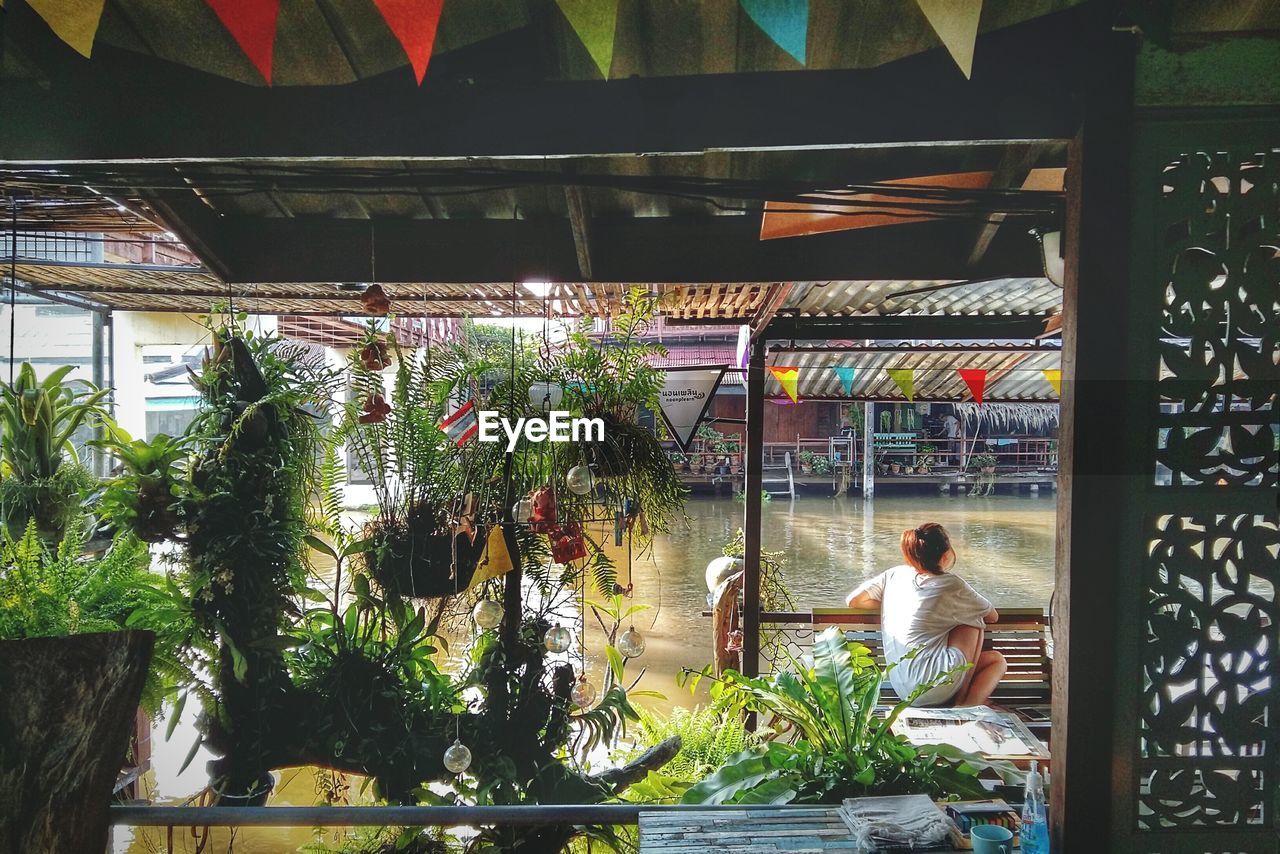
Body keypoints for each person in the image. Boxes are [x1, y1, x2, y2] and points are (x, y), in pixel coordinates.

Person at [846, 523, 1006, 706]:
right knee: (973, 619)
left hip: (903, 690)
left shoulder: (893, 575)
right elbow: (992, 616)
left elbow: (853, 601)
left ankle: (966, 702)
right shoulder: (951, 585)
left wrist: (900, 604)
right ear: (946, 554)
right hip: (934, 686)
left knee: (996, 660)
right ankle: (965, 706)